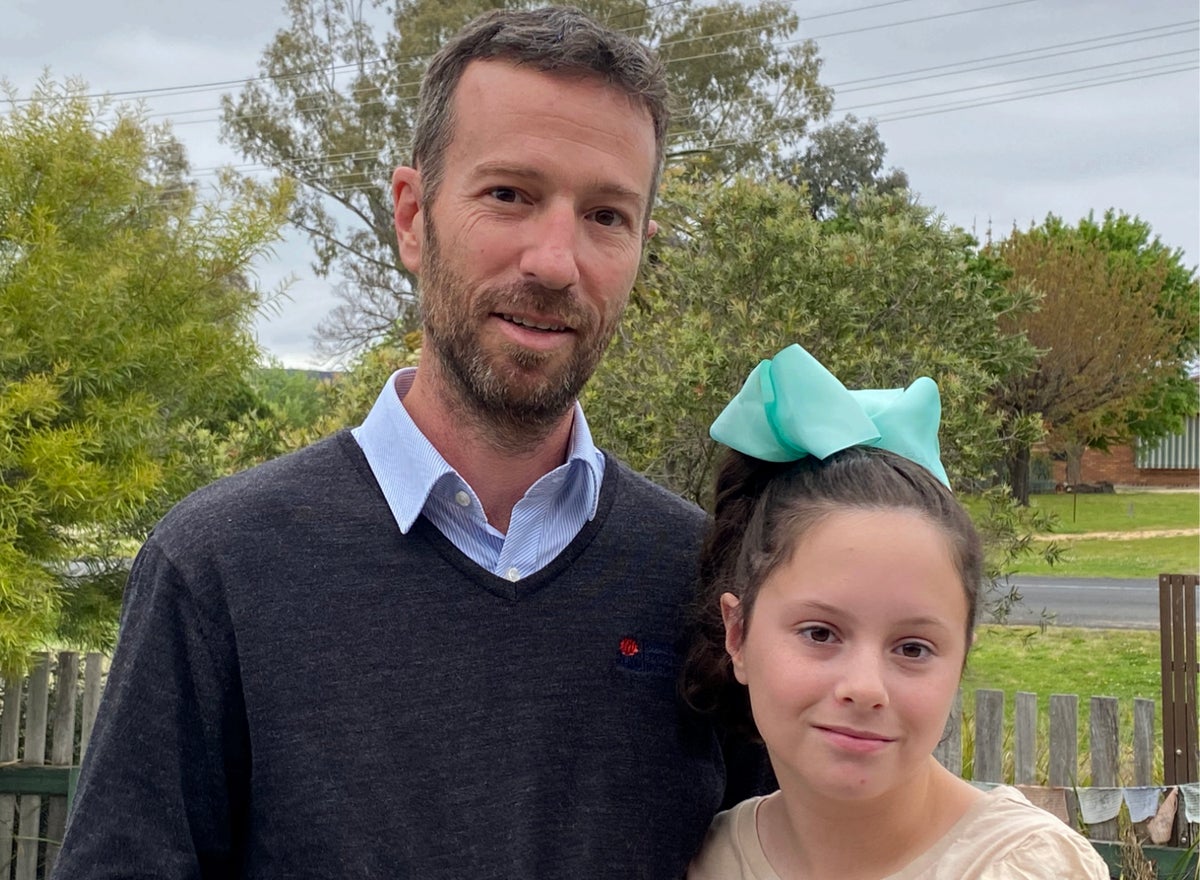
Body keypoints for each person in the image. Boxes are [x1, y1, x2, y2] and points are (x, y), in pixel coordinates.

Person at [54, 8, 768, 878]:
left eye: (606, 215)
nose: (555, 260)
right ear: (410, 216)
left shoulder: (712, 583)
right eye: (509, 195)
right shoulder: (218, 569)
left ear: (639, 251)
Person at [683, 344, 1111, 880]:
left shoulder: (1025, 869)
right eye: (820, 633)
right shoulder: (708, 860)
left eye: (913, 648)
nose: (865, 688)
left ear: (960, 659)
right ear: (738, 635)